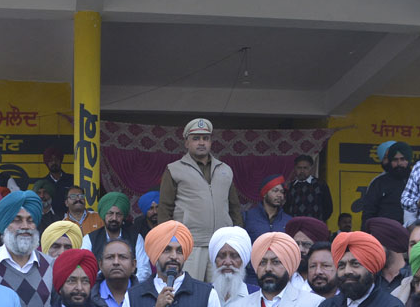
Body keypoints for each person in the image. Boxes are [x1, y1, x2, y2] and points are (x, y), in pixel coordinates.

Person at [157, 118, 244, 280]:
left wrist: (238, 239)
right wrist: (168, 244)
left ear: (211, 142)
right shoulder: (174, 169)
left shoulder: (225, 169)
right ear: (186, 142)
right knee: (189, 290)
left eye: (206, 138)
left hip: (222, 245)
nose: (201, 142)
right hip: (190, 244)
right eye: (196, 138)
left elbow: (234, 208)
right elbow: (164, 209)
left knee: (221, 292)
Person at [83, 191, 151, 283]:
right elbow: (84, 269)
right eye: (110, 213)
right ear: (104, 215)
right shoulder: (90, 239)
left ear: (123, 217)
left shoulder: (136, 238)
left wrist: (128, 285)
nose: (114, 218)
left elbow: (144, 270)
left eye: (118, 214)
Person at [357, 141, 412, 224]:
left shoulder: (417, 180)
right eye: (395, 160)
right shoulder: (379, 183)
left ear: (409, 160)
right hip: (386, 229)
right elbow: (368, 213)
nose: (399, 163)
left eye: (402, 159)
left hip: (414, 230)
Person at [363, 217, 410, 292]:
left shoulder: (415, 276)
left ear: (391, 244)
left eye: (375, 245)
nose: (371, 250)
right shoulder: (368, 279)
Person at [93, 238, 137, 307]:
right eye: (110, 257)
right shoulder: (89, 297)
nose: (116, 262)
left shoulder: (145, 297)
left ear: (133, 265)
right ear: (100, 265)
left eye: (122, 257)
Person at [284, 154, 332, 221]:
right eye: (299, 168)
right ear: (295, 169)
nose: (302, 171)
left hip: (314, 225)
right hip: (295, 224)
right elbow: (286, 208)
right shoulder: (291, 186)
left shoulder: (320, 184)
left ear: (311, 169)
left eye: (305, 168)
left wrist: (319, 221)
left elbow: (328, 208)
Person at [244, 175, 292, 241]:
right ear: (264, 194)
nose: (279, 195)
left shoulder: (288, 220)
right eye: (275, 191)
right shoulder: (247, 217)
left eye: (282, 192)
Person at [39, 146, 74, 215]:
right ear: (47, 163)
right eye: (50, 160)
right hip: (49, 219)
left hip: (69, 218)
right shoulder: (43, 183)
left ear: (60, 161)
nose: (54, 162)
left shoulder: (72, 179)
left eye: (56, 159)